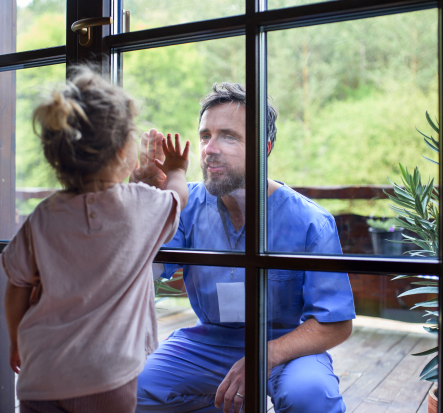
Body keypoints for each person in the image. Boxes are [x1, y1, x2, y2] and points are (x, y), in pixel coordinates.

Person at [131, 83, 356, 413]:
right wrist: (145, 199)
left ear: (263, 149)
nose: (209, 148)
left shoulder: (311, 220)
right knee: (136, 387)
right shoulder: (186, 205)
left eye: (228, 136)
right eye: (205, 136)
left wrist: (265, 355)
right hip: (208, 342)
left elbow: (336, 323)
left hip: (286, 346)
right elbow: (142, 271)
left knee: (311, 396)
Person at [2, 65, 190, 413]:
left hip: (41, 373)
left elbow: (16, 286)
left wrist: (16, 340)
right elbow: (177, 198)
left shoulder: (43, 215)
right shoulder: (141, 206)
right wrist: (177, 170)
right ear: (123, 152)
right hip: (107, 376)